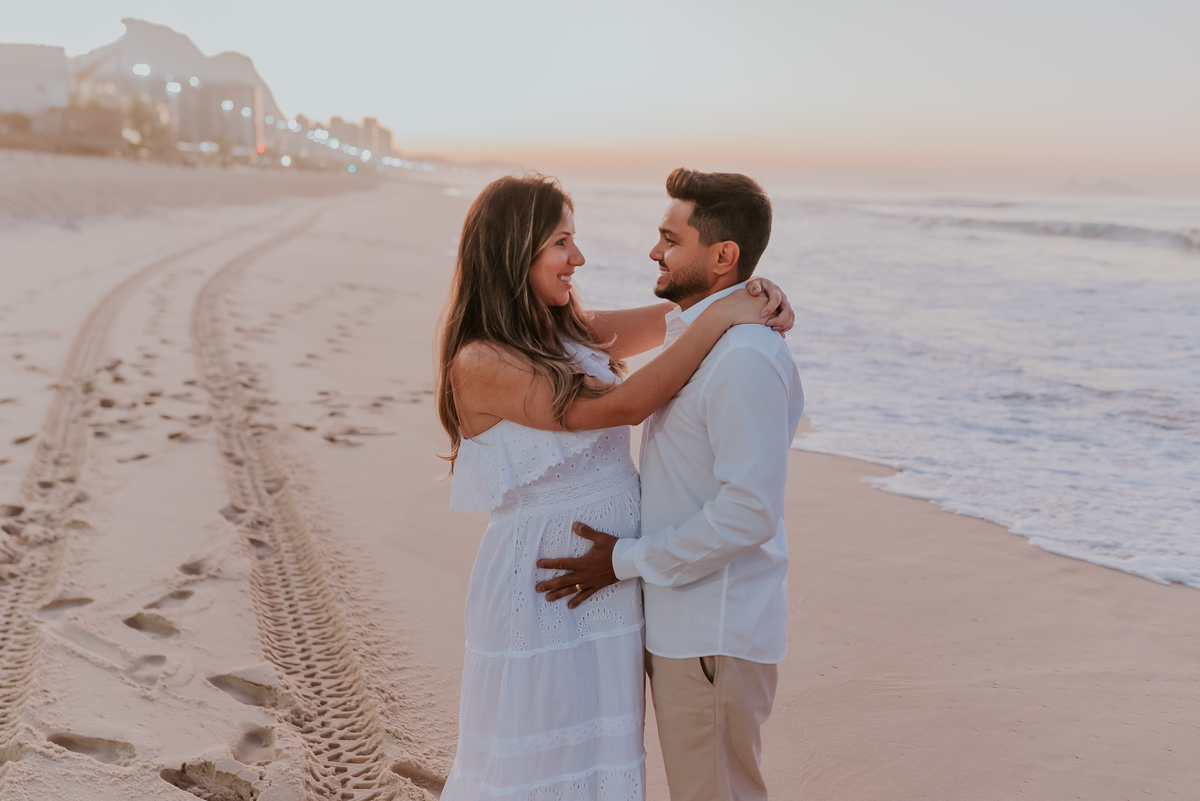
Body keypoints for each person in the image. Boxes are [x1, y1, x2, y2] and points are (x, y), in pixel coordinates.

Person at [436, 173, 793, 801]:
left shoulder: (564, 331)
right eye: (561, 243)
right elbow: (619, 406)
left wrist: (755, 293)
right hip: (547, 580)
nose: (578, 258)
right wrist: (726, 314)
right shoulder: (483, 360)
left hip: (608, 585)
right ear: (514, 251)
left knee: (596, 760)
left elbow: (681, 312)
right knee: (537, 763)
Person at [535, 169, 804, 801]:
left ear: (721, 257)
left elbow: (748, 512)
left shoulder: (743, 358)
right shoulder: (701, 334)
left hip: (714, 628)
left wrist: (624, 560)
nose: (654, 250)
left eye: (669, 238)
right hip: (685, 622)